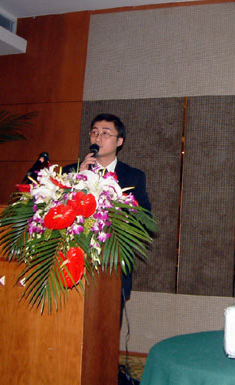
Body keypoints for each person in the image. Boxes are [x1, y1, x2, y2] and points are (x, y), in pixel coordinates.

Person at [64, 113, 152, 321]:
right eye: (94, 133)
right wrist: (78, 180)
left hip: (112, 261)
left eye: (105, 133)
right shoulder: (71, 171)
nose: (98, 138)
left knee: (108, 323)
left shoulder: (133, 176)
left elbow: (145, 217)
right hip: (74, 260)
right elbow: (59, 211)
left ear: (119, 141)